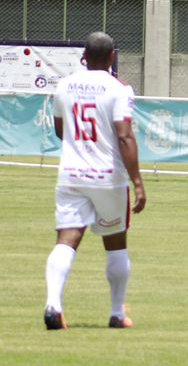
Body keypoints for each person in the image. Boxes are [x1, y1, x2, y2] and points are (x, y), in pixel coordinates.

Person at [44, 31, 146, 330]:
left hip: (71, 175)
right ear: (113, 56)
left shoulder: (64, 86)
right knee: (116, 246)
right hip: (107, 178)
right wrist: (138, 182)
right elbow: (125, 136)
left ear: (83, 58)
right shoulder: (119, 89)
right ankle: (116, 313)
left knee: (66, 241)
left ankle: (53, 305)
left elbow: (61, 130)